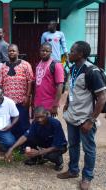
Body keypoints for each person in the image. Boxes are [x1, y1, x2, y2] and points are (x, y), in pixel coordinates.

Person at [57, 41, 106, 190]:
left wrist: (91, 120)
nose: (69, 53)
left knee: (89, 148)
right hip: (72, 115)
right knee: (73, 145)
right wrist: (66, 105)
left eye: (72, 51)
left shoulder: (92, 71)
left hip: (86, 118)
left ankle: (87, 177)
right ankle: (73, 170)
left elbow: (102, 97)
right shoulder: (73, 68)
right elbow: (72, 89)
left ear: (80, 54)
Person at [5, 106, 67, 171]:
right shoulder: (35, 123)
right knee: (28, 139)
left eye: (42, 117)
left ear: (47, 114)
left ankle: (59, 162)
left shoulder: (55, 123)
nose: (39, 119)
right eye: (37, 117)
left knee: (51, 155)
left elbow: (56, 146)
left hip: (58, 146)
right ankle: (36, 159)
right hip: (46, 142)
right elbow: (25, 136)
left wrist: (39, 152)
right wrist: (11, 148)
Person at [0, 44, 33, 139]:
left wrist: (27, 96)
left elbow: (30, 81)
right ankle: (13, 144)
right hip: (8, 102)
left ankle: (24, 145)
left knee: (23, 123)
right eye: (10, 51)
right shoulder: (3, 66)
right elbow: (0, 84)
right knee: (12, 123)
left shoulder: (26, 65)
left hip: (22, 100)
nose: (11, 52)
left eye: (13, 51)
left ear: (18, 52)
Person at [34, 42, 64, 117]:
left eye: (47, 51)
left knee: (50, 127)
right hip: (38, 104)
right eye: (42, 50)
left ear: (51, 52)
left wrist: (55, 105)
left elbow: (60, 85)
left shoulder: (56, 65)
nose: (44, 53)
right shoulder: (38, 64)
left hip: (49, 106)